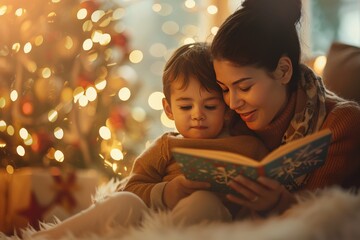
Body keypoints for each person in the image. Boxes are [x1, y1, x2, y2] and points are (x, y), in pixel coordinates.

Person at [30, 42, 268, 239]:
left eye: (210, 105)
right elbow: (130, 187)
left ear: (226, 108)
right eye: (185, 106)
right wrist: (166, 192)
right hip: (150, 222)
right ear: (169, 109)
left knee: (204, 202)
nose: (197, 114)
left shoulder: (248, 146)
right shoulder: (166, 146)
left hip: (211, 223)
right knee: (123, 201)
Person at [210, 0, 360, 217]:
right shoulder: (225, 116)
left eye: (244, 87)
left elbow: (323, 219)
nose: (233, 103)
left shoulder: (341, 123)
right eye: (224, 89)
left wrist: (282, 204)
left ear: (283, 71)